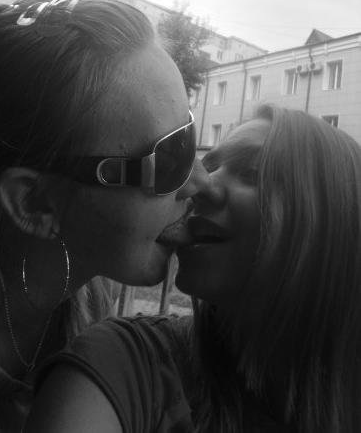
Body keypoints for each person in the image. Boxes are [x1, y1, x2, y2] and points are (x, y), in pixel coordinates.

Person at [0, 0, 199, 432]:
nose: (200, 183)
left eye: (188, 132)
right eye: (171, 156)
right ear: (34, 203)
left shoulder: (84, 287)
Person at [27, 104, 361, 433]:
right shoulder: (126, 364)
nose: (200, 186)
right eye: (208, 167)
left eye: (252, 173)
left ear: (336, 218)